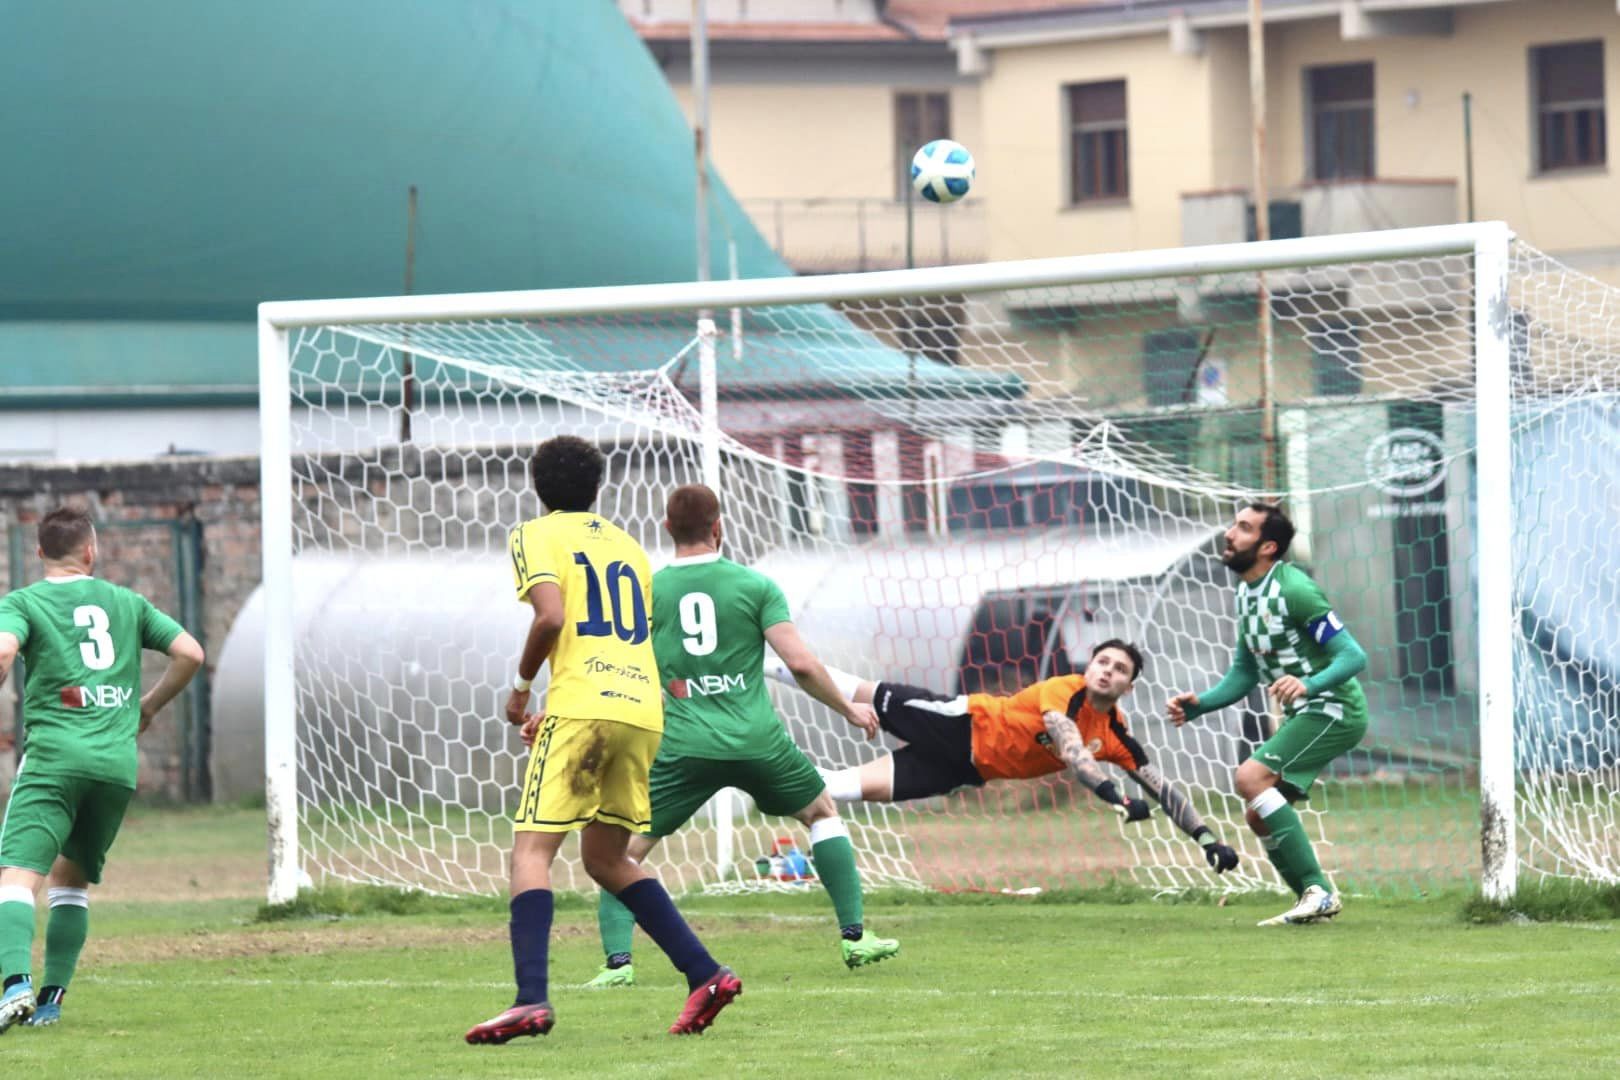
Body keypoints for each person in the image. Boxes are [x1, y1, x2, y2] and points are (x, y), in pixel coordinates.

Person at [464, 437, 741, 1045]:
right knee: (607, 858)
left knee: (533, 853)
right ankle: (705, 973)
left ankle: (530, 999)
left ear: (538, 488)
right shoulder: (627, 546)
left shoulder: (534, 535)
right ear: (598, 488)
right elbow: (621, 640)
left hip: (585, 707)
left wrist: (521, 691)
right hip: (638, 710)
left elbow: (552, 618)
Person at [585, 484, 898, 989]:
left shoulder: (647, 589)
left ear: (667, 529)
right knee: (820, 812)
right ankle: (855, 936)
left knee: (620, 851)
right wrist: (849, 709)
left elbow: (620, 666)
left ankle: (617, 965)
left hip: (681, 745)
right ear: (719, 527)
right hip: (758, 743)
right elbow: (799, 663)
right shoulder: (755, 586)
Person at [782, 640, 1241, 875]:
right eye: (1102, 662)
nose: (1108, 671)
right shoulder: (1066, 691)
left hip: (966, 768)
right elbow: (1070, 749)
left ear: (1130, 686)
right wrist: (1114, 796)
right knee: (850, 689)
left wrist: (1206, 839)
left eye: (1120, 669)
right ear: (1089, 667)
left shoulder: (1117, 732)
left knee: (841, 788)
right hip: (958, 722)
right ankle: (762, 661)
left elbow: (1162, 788)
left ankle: (763, 774)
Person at [0, 506, 205, 1032]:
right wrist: (151, 706)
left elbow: (3, 652)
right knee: (71, 881)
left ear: (40, 552)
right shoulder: (127, 602)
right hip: (115, 765)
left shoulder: (23, 601)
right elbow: (190, 653)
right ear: (91, 552)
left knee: (17, 877)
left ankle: (13, 984)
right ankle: (50, 1000)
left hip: (54, 758)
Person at [1167, 502, 1368, 926]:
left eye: (1243, 527)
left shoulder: (1295, 589)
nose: (1229, 533)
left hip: (1333, 707)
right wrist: (1200, 704)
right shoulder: (1246, 592)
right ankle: (1310, 901)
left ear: (1267, 546)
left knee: (1249, 778)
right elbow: (1244, 672)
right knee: (1259, 812)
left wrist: (1308, 685)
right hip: (1308, 711)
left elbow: (1353, 655)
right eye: (1233, 524)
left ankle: (1320, 891)